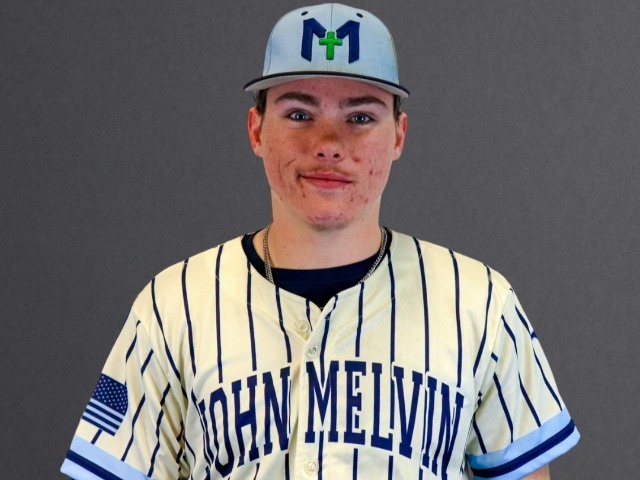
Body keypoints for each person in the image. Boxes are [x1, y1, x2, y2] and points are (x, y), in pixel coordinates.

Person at [61, 4, 579, 479]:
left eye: (360, 117)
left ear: (398, 135)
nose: (329, 144)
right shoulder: (170, 307)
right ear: (256, 130)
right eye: (299, 114)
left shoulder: (482, 304)